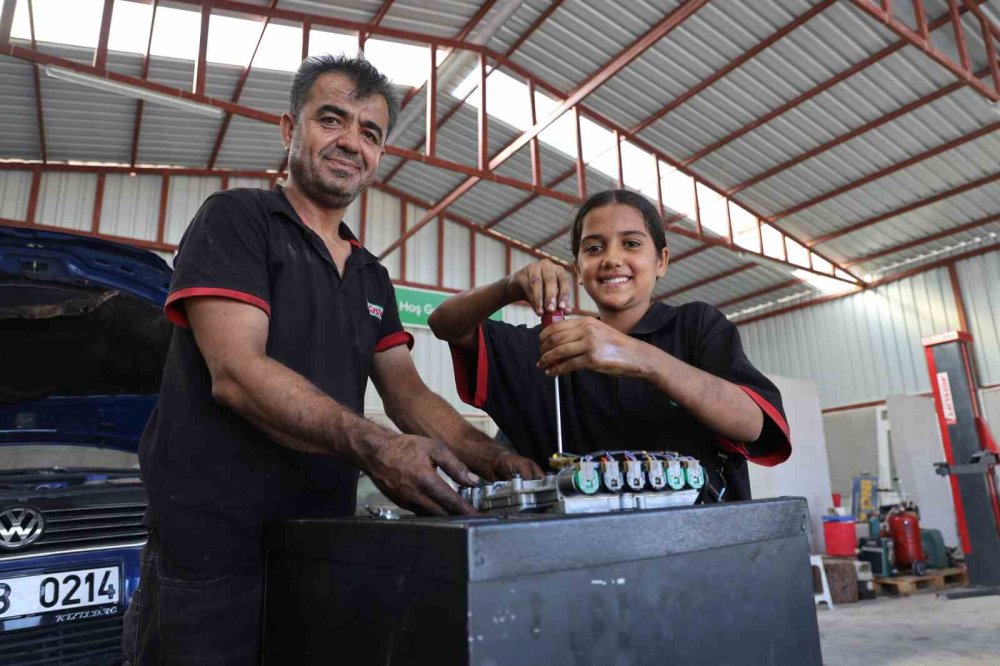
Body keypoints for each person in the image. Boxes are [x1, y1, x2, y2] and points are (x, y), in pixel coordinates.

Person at [123, 55, 541, 665]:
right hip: (212, 548)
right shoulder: (239, 220)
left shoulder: (372, 277)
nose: (351, 142)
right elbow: (236, 373)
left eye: (370, 133)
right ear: (290, 129)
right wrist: (377, 448)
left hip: (321, 541)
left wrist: (498, 462)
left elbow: (409, 395)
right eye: (332, 120)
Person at [429, 189, 791, 502]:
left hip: (702, 552)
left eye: (631, 243)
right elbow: (445, 323)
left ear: (661, 261)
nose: (612, 258)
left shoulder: (696, 327)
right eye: (594, 248)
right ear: (578, 267)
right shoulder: (551, 347)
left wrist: (640, 357)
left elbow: (753, 424)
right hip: (585, 560)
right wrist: (509, 286)